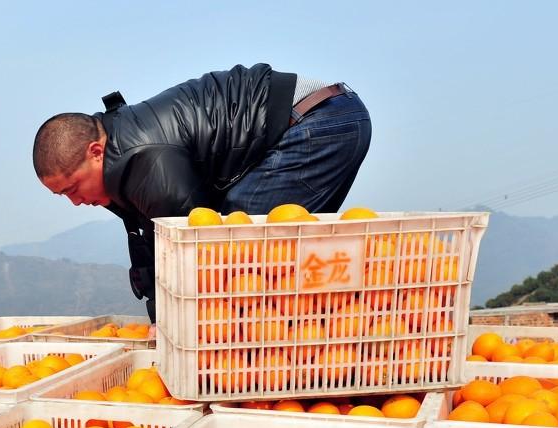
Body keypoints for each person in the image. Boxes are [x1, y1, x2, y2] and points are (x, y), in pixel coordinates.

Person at [34, 63, 371, 321]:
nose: (76, 201)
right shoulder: (120, 151)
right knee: (247, 251)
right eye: (64, 196)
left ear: (95, 152)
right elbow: (153, 239)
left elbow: (195, 253)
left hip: (317, 121)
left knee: (238, 246)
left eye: (73, 188)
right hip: (318, 115)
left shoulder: (147, 160)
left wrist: (170, 325)